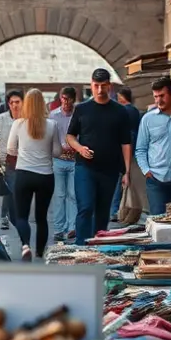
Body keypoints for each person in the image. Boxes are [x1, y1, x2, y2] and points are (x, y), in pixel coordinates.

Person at [67, 69, 133, 245]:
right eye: (96, 86)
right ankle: (81, 246)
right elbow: (70, 136)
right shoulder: (82, 109)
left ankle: (98, 245)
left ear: (109, 86)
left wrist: (127, 172)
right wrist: (80, 148)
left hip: (110, 169)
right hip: (85, 167)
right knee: (86, 207)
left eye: (103, 86)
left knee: (103, 211)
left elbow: (126, 143)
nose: (99, 90)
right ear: (91, 85)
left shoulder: (120, 111)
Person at [7, 89, 64, 260]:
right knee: (41, 217)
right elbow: (57, 151)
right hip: (45, 176)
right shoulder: (52, 125)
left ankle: (25, 246)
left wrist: (23, 152)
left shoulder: (18, 124)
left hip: (23, 173)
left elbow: (10, 149)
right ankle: (40, 251)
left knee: (21, 215)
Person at [135, 77, 171, 215]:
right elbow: (140, 149)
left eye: (162, 96)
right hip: (156, 179)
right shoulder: (148, 119)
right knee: (158, 220)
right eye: (156, 97)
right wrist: (146, 170)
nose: (158, 100)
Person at [48, 87, 79, 241]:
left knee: (73, 195)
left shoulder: (78, 114)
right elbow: (50, 137)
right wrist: (61, 147)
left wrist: (76, 146)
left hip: (75, 160)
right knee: (59, 195)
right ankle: (59, 229)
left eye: (68, 99)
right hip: (58, 159)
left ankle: (72, 227)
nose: (66, 102)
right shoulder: (53, 115)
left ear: (73, 99)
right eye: (63, 99)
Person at [0, 90, 24, 231]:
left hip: (24, 160)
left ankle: (12, 216)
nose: (15, 105)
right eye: (12, 102)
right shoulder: (1, 119)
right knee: (10, 189)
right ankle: (6, 217)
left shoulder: (26, 119)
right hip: (8, 159)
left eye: (17, 102)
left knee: (19, 190)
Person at [110, 87, 141, 220]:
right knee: (126, 178)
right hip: (134, 146)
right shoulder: (135, 111)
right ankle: (123, 208)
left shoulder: (123, 110)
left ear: (122, 97)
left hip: (123, 147)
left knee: (119, 179)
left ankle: (116, 209)